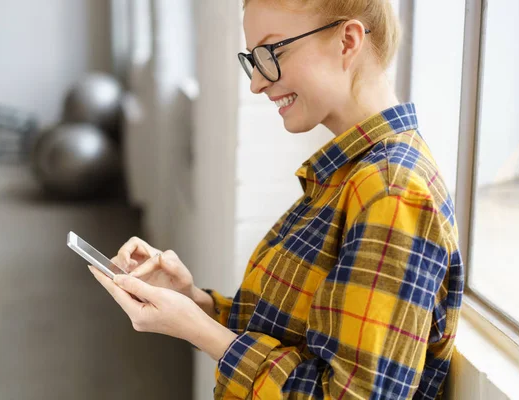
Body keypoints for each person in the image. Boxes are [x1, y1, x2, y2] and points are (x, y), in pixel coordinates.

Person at [88, 0, 464, 398]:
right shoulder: (351, 175)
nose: (257, 82)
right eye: (253, 59)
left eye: (273, 52)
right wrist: (193, 302)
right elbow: (291, 332)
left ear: (347, 41)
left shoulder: (392, 192)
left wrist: (202, 330)